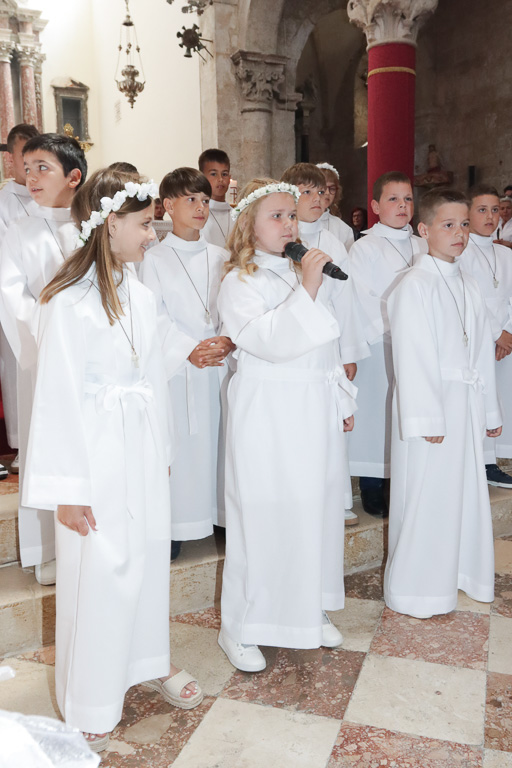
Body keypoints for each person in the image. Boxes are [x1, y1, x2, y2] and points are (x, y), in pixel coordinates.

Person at [23, 168, 203, 753]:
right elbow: (55, 399)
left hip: (139, 448)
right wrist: (67, 490)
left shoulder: (140, 294)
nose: (152, 234)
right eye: (145, 224)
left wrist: (161, 451)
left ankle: (148, 661)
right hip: (93, 455)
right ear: (109, 224)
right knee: (100, 573)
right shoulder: (67, 301)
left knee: (145, 561)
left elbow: (150, 378)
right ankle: (92, 698)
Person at [217, 178, 357, 671]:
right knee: (264, 514)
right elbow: (272, 343)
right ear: (249, 226)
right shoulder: (239, 281)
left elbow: (325, 343)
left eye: (292, 215)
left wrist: (340, 395)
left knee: (314, 509)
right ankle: (240, 626)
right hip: (269, 410)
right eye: (276, 216)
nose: (289, 224)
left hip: (313, 405)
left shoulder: (301, 272)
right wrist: (311, 288)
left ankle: (307, 606)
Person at [384, 188, 501, 619]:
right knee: (426, 495)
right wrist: (426, 418)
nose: (460, 233)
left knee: (462, 493)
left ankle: (460, 572)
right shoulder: (414, 285)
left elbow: (481, 353)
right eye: (448, 225)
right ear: (424, 229)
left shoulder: (467, 283)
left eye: (464, 224)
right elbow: (412, 357)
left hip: (464, 404)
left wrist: (490, 411)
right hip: (432, 409)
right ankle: (416, 589)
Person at [0, 133, 87, 586]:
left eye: (42, 168)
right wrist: (51, 335)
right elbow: (12, 295)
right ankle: (48, 550)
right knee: (48, 445)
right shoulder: (19, 231)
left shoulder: (92, 225)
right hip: (46, 357)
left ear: (74, 177)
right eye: (27, 167)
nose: (30, 176)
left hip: (91, 360)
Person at [139, 168, 233, 561]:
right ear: (167, 206)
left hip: (220, 366)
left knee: (223, 444)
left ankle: (221, 518)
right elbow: (153, 317)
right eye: (190, 199)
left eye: (205, 200)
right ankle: (177, 525)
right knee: (184, 447)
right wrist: (188, 350)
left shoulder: (223, 257)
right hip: (181, 371)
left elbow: (235, 306)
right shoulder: (154, 259)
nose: (200, 207)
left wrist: (228, 339)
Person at [281, 162, 369, 526]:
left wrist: (349, 352)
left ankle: (336, 499)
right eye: (306, 192)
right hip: (292, 342)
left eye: (321, 192)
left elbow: (346, 300)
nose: (317, 199)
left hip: (328, 343)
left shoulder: (332, 241)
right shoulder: (279, 236)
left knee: (332, 422)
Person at [348, 171, 428, 518]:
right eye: (393, 199)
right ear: (376, 206)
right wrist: (400, 326)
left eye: (408, 198)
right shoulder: (364, 247)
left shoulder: (424, 245)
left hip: (419, 347)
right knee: (377, 414)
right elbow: (361, 296)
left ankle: (406, 481)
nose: (402, 205)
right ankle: (372, 484)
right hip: (381, 343)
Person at [461, 184, 512, 487]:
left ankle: (492, 460)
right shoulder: (462, 251)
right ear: (467, 212)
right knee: (480, 396)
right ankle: (478, 460)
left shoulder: (505, 254)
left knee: (500, 396)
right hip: (478, 338)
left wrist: (509, 331)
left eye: (495, 210)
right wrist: (496, 333)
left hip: (504, 340)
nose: (491, 216)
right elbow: (471, 298)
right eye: (482, 210)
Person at [0, 123, 39, 475]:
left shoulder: (52, 198)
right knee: (17, 370)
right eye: (23, 157)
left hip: (48, 301)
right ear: (10, 159)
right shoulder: (3, 202)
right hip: (14, 301)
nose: (30, 167)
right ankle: (21, 445)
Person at [316, 162, 354, 250]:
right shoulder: (297, 222)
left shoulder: (343, 229)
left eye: (332, 189)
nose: (327, 193)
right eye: (323, 187)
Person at [199, 148, 233, 248]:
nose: (220, 179)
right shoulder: (198, 215)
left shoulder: (238, 216)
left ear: (230, 178)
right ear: (202, 177)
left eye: (224, 174)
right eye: (213, 174)